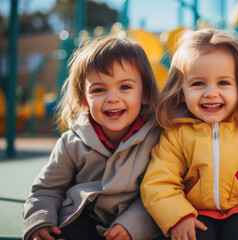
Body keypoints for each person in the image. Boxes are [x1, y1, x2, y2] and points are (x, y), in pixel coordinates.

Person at [141, 28, 238, 240]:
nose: (211, 93)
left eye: (223, 83)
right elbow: (160, 182)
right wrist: (178, 216)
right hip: (194, 211)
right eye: (198, 83)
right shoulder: (177, 131)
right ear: (182, 89)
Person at [22, 36, 162, 240]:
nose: (112, 98)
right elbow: (47, 188)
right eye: (98, 89)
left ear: (145, 94)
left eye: (125, 87)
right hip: (81, 217)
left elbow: (158, 192)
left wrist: (131, 226)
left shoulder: (156, 139)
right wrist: (39, 222)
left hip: (133, 221)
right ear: (83, 100)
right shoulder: (72, 142)